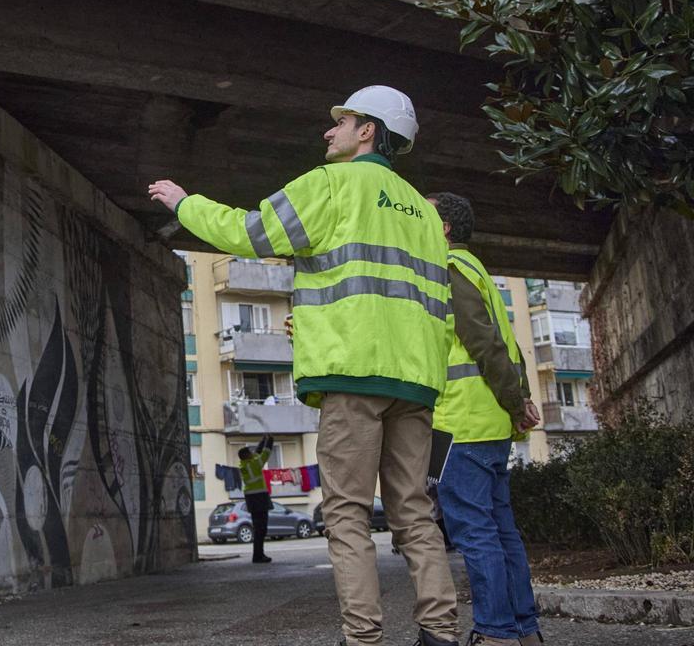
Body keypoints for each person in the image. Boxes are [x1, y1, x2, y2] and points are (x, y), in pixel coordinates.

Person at [149, 86, 458, 646]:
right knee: (415, 512)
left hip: (351, 375)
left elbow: (251, 233)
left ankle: (362, 638)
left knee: (345, 512)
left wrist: (184, 203)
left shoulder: (332, 184)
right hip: (414, 382)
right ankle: (440, 632)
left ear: (369, 131)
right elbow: (435, 307)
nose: (329, 130)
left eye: (342, 121)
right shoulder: (421, 212)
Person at [425, 192, 544, 646]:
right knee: (502, 532)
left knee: (476, 535)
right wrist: (519, 400)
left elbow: (483, 343)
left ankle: (494, 633)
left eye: (426, 213)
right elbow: (509, 343)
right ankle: (524, 629)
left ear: (445, 229)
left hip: (462, 425)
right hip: (490, 423)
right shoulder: (478, 271)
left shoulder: (450, 270)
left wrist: (518, 403)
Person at [239, 434, 276, 563]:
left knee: (258, 528)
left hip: (252, 498)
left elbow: (257, 452)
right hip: (258, 497)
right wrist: (270, 440)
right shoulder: (253, 465)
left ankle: (258, 554)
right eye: (249, 452)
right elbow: (265, 454)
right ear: (246, 456)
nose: (252, 453)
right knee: (261, 528)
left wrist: (263, 440)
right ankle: (258, 556)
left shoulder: (246, 464)